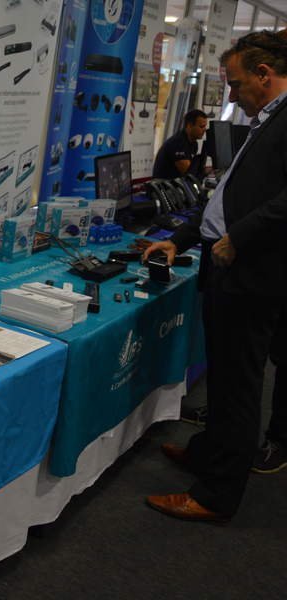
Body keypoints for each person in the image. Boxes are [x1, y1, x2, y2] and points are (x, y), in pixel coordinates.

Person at [141, 30, 287, 521]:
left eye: (235, 83)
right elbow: (227, 195)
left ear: (264, 75)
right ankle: (208, 452)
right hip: (224, 266)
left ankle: (215, 495)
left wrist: (239, 236)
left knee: (239, 385)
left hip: (251, 273)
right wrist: (180, 239)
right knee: (223, 378)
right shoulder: (265, 120)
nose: (231, 94)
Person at [152, 109, 208, 179]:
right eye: (201, 127)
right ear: (190, 126)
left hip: (177, 183)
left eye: (205, 126)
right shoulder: (178, 143)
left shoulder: (193, 143)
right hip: (165, 184)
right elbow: (188, 174)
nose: (205, 130)